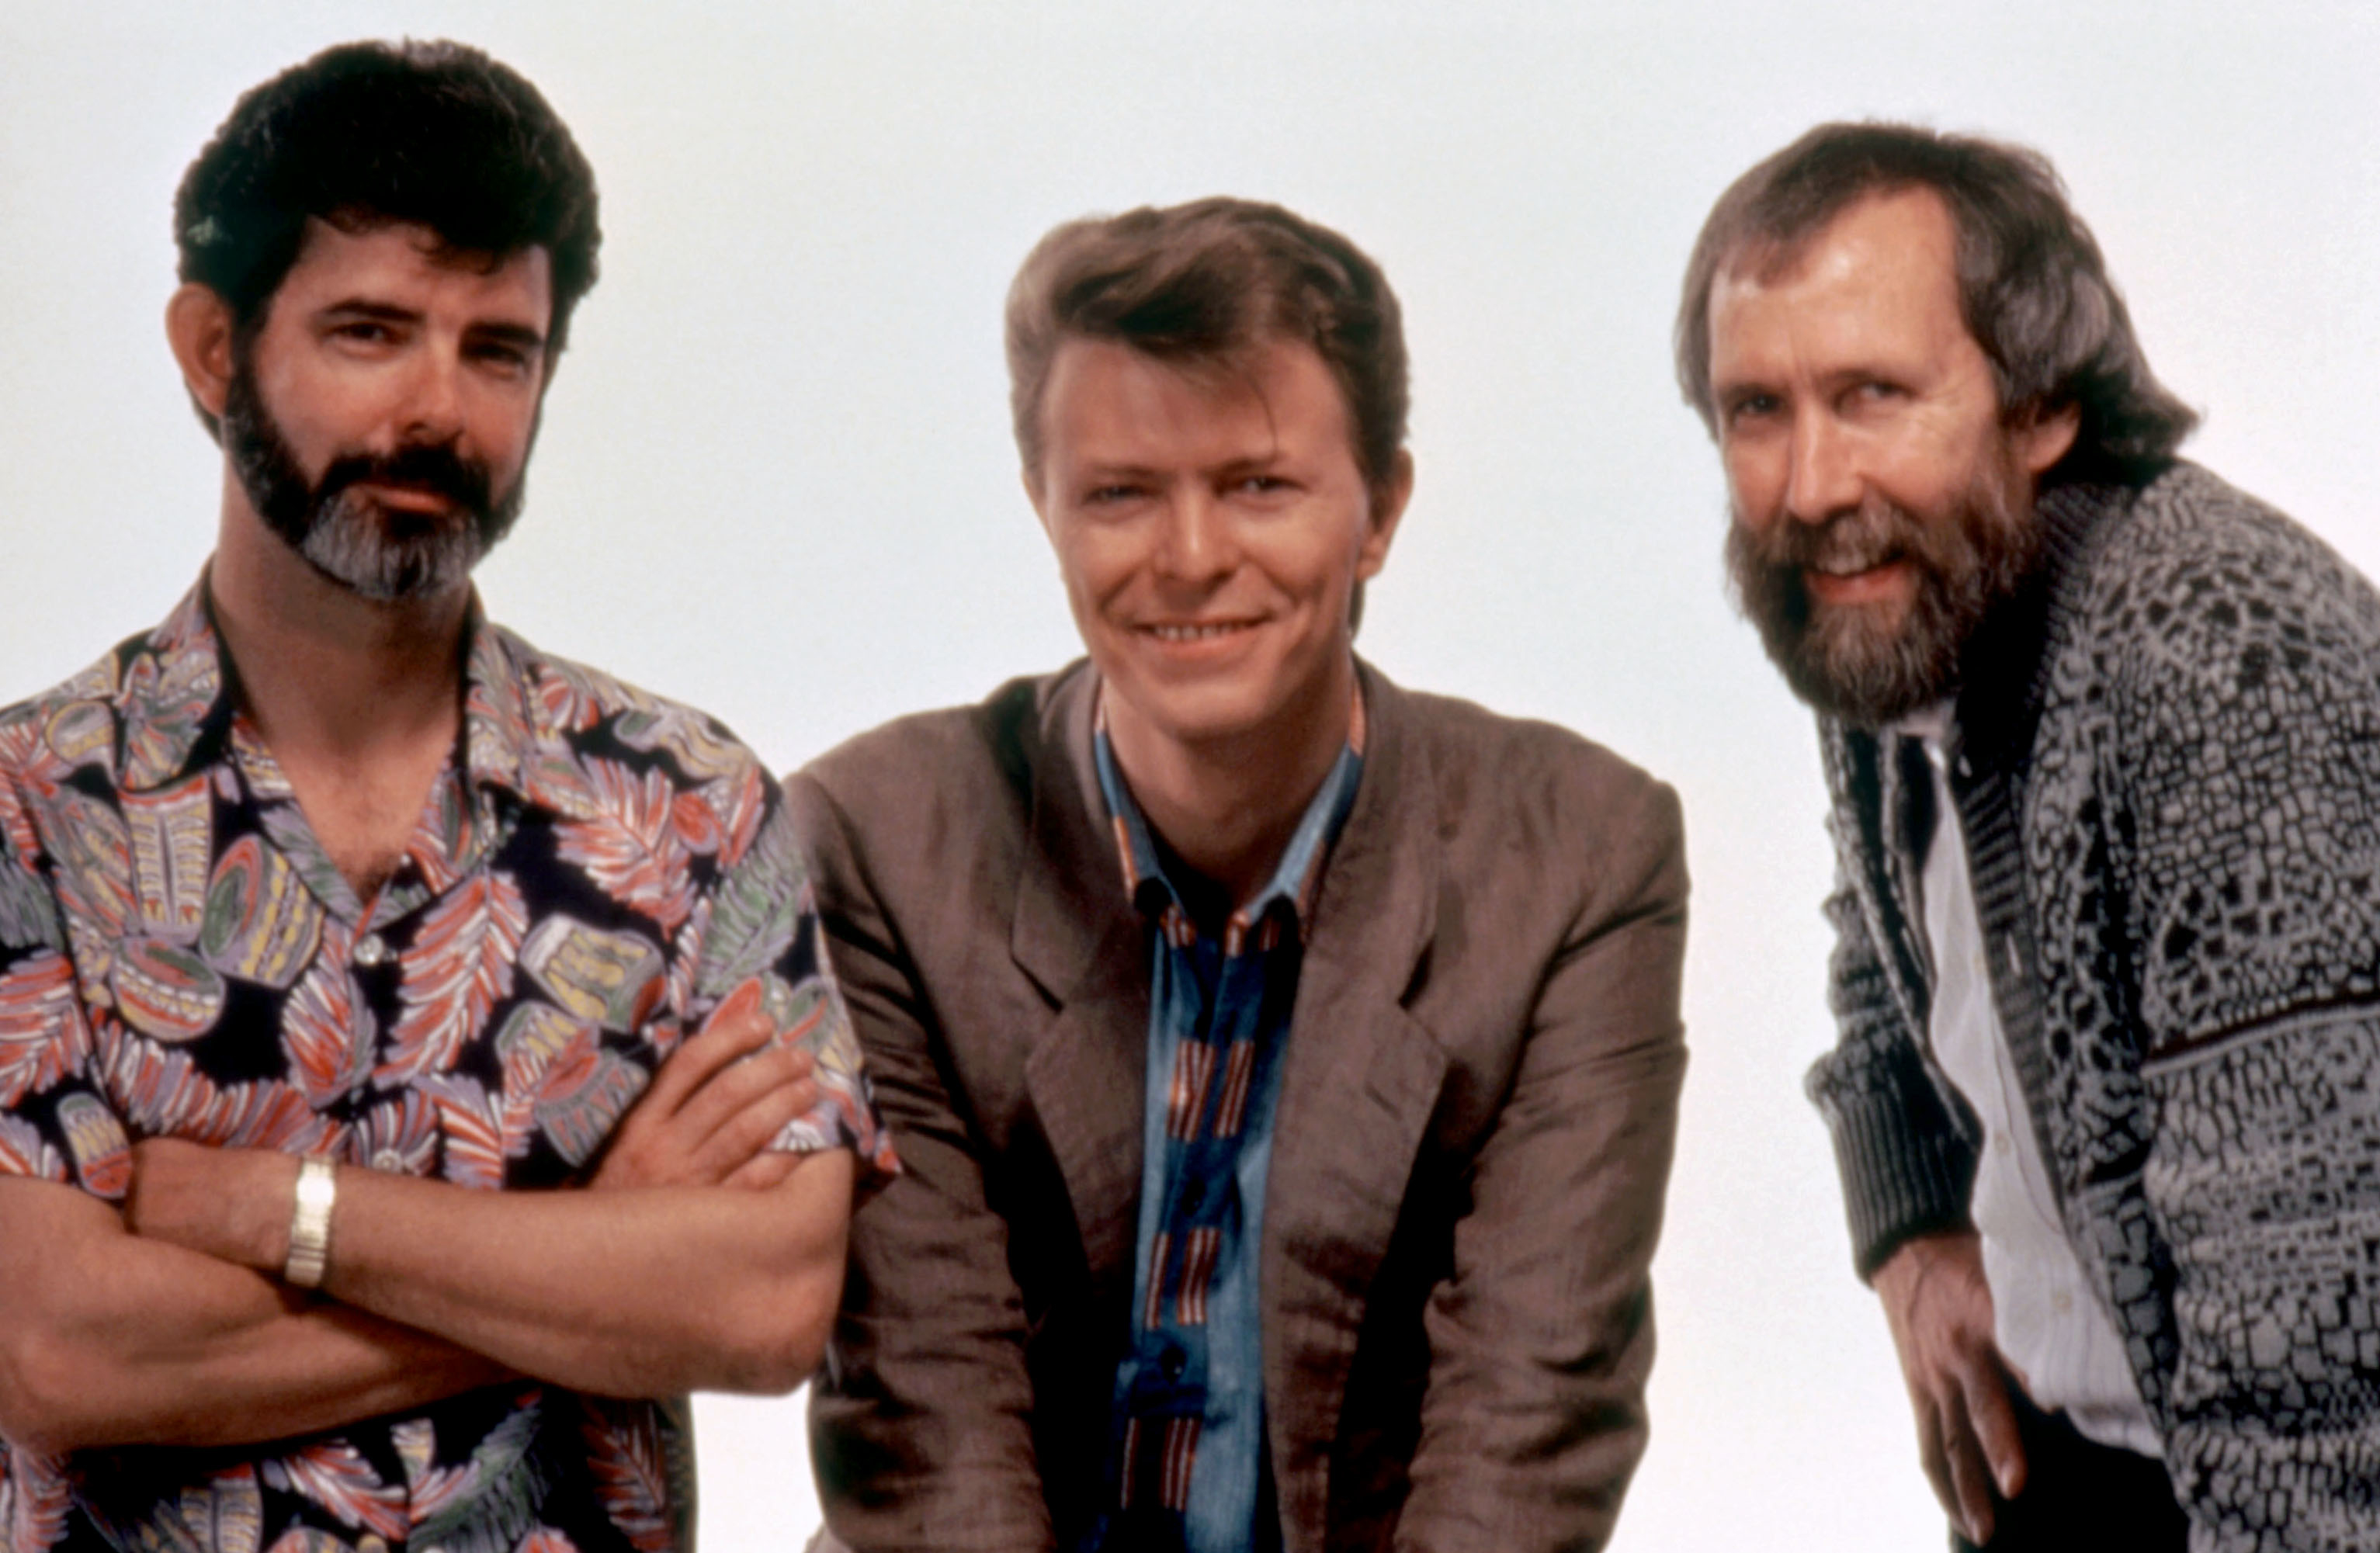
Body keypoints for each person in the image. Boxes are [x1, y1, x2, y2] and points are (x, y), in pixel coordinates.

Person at [0, 40, 890, 1553]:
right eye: (369, 330)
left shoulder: (685, 806)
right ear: (214, 350)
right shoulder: (33, 812)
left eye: (498, 350)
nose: (438, 406)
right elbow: (57, 1346)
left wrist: (272, 1216)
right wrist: (600, 1258)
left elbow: (762, 1305)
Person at [793, 196, 1688, 1553]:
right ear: (1044, 506)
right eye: (1120, 492)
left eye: (1257, 484)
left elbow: (1525, 1436)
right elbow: (930, 1441)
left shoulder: (1578, 859)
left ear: (1379, 507)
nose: (1191, 555)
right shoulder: (876, 843)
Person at [1677, 120, 2380, 1551]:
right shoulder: (1899, 598)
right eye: (1757, 409)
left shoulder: (2226, 672)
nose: (1810, 484)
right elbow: (1878, 935)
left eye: (1872, 393)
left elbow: (2325, 1376)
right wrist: (1911, 1222)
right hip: (2075, 1467)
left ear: (2040, 406)